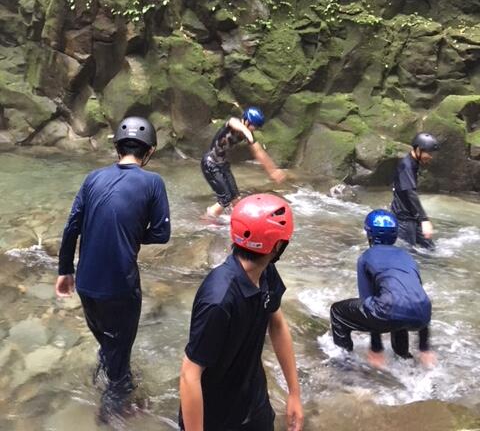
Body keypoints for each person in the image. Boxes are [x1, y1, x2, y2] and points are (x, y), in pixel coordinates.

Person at [55, 116, 171, 420]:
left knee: (110, 343)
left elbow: (71, 227)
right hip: (120, 288)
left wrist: (64, 271)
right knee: (120, 349)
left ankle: (114, 372)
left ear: (116, 148)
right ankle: (111, 413)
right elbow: (162, 233)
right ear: (150, 151)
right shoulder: (153, 182)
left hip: (86, 284)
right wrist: (132, 233)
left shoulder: (92, 178)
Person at [179, 193, 304, 431]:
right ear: (277, 246)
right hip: (214, 417)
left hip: (253, 402)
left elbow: (277, 323)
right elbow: (189, 374)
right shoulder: (219, 300)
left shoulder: (265, 272)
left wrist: (294, 393)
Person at [330, 209, 434, 369]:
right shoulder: (407, 256)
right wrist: (424, 347)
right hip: (423, 314)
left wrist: (376, 347)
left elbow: (367, 300)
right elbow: (415, 296)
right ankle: (404, 356)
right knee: (398, 309)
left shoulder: (366, 257)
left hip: (388, 311)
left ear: (369, 234)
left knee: (337, 311)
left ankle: (345, 363)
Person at [201, 106, 286, 219]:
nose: (254, 129)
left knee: (236, 197)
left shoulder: (249, 134)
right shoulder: (234, 124)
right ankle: (206, 221)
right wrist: (246, 131)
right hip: (210, 164)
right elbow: (233, 122)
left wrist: (272, 170)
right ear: (246, 121)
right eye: (253, 126)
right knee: (225, 199)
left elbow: (258, 152)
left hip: (223, 165)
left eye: (256, 127)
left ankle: (237, 220)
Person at [391, 132, 439, 249]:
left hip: (413, 216)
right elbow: (410, 193)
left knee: (430, 249)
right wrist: (424, 220)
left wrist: (420, 218)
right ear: (418, 150)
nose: (431, 156)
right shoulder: (406, 166)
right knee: (409, 251)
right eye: (429, 153)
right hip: (404, 219)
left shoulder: (414, 164)